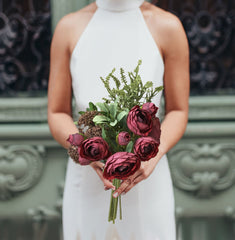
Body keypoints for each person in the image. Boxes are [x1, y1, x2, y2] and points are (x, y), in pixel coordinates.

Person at [47, 0, 189, 239]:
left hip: (147, 181)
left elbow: (178, 111)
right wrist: (86, 150)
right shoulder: (68, 27)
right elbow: (57, 112)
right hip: (88, 182)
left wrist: (151, 156)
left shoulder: (168, 26)